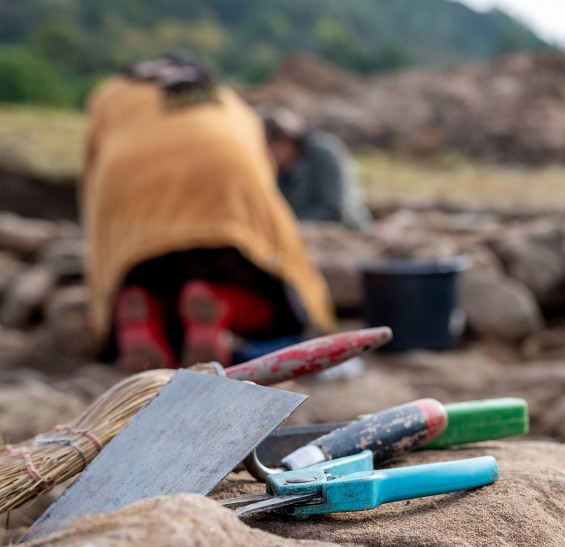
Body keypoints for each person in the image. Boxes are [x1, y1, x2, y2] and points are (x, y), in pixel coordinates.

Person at [81, 53, 336, 372]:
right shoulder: (225, 97)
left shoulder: (112, 93)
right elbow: (262, 176)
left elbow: (92, 175)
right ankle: (219, 301)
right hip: (224, 178)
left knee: (149, 276)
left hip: (130, 182)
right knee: (279, 305)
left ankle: (141, 308)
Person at [262, 106, 373, 231]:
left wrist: (288, 227)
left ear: (286, 141)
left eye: (267, 146)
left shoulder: (325, 154)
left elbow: (334, 209)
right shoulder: (275, 171)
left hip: (347, 234)